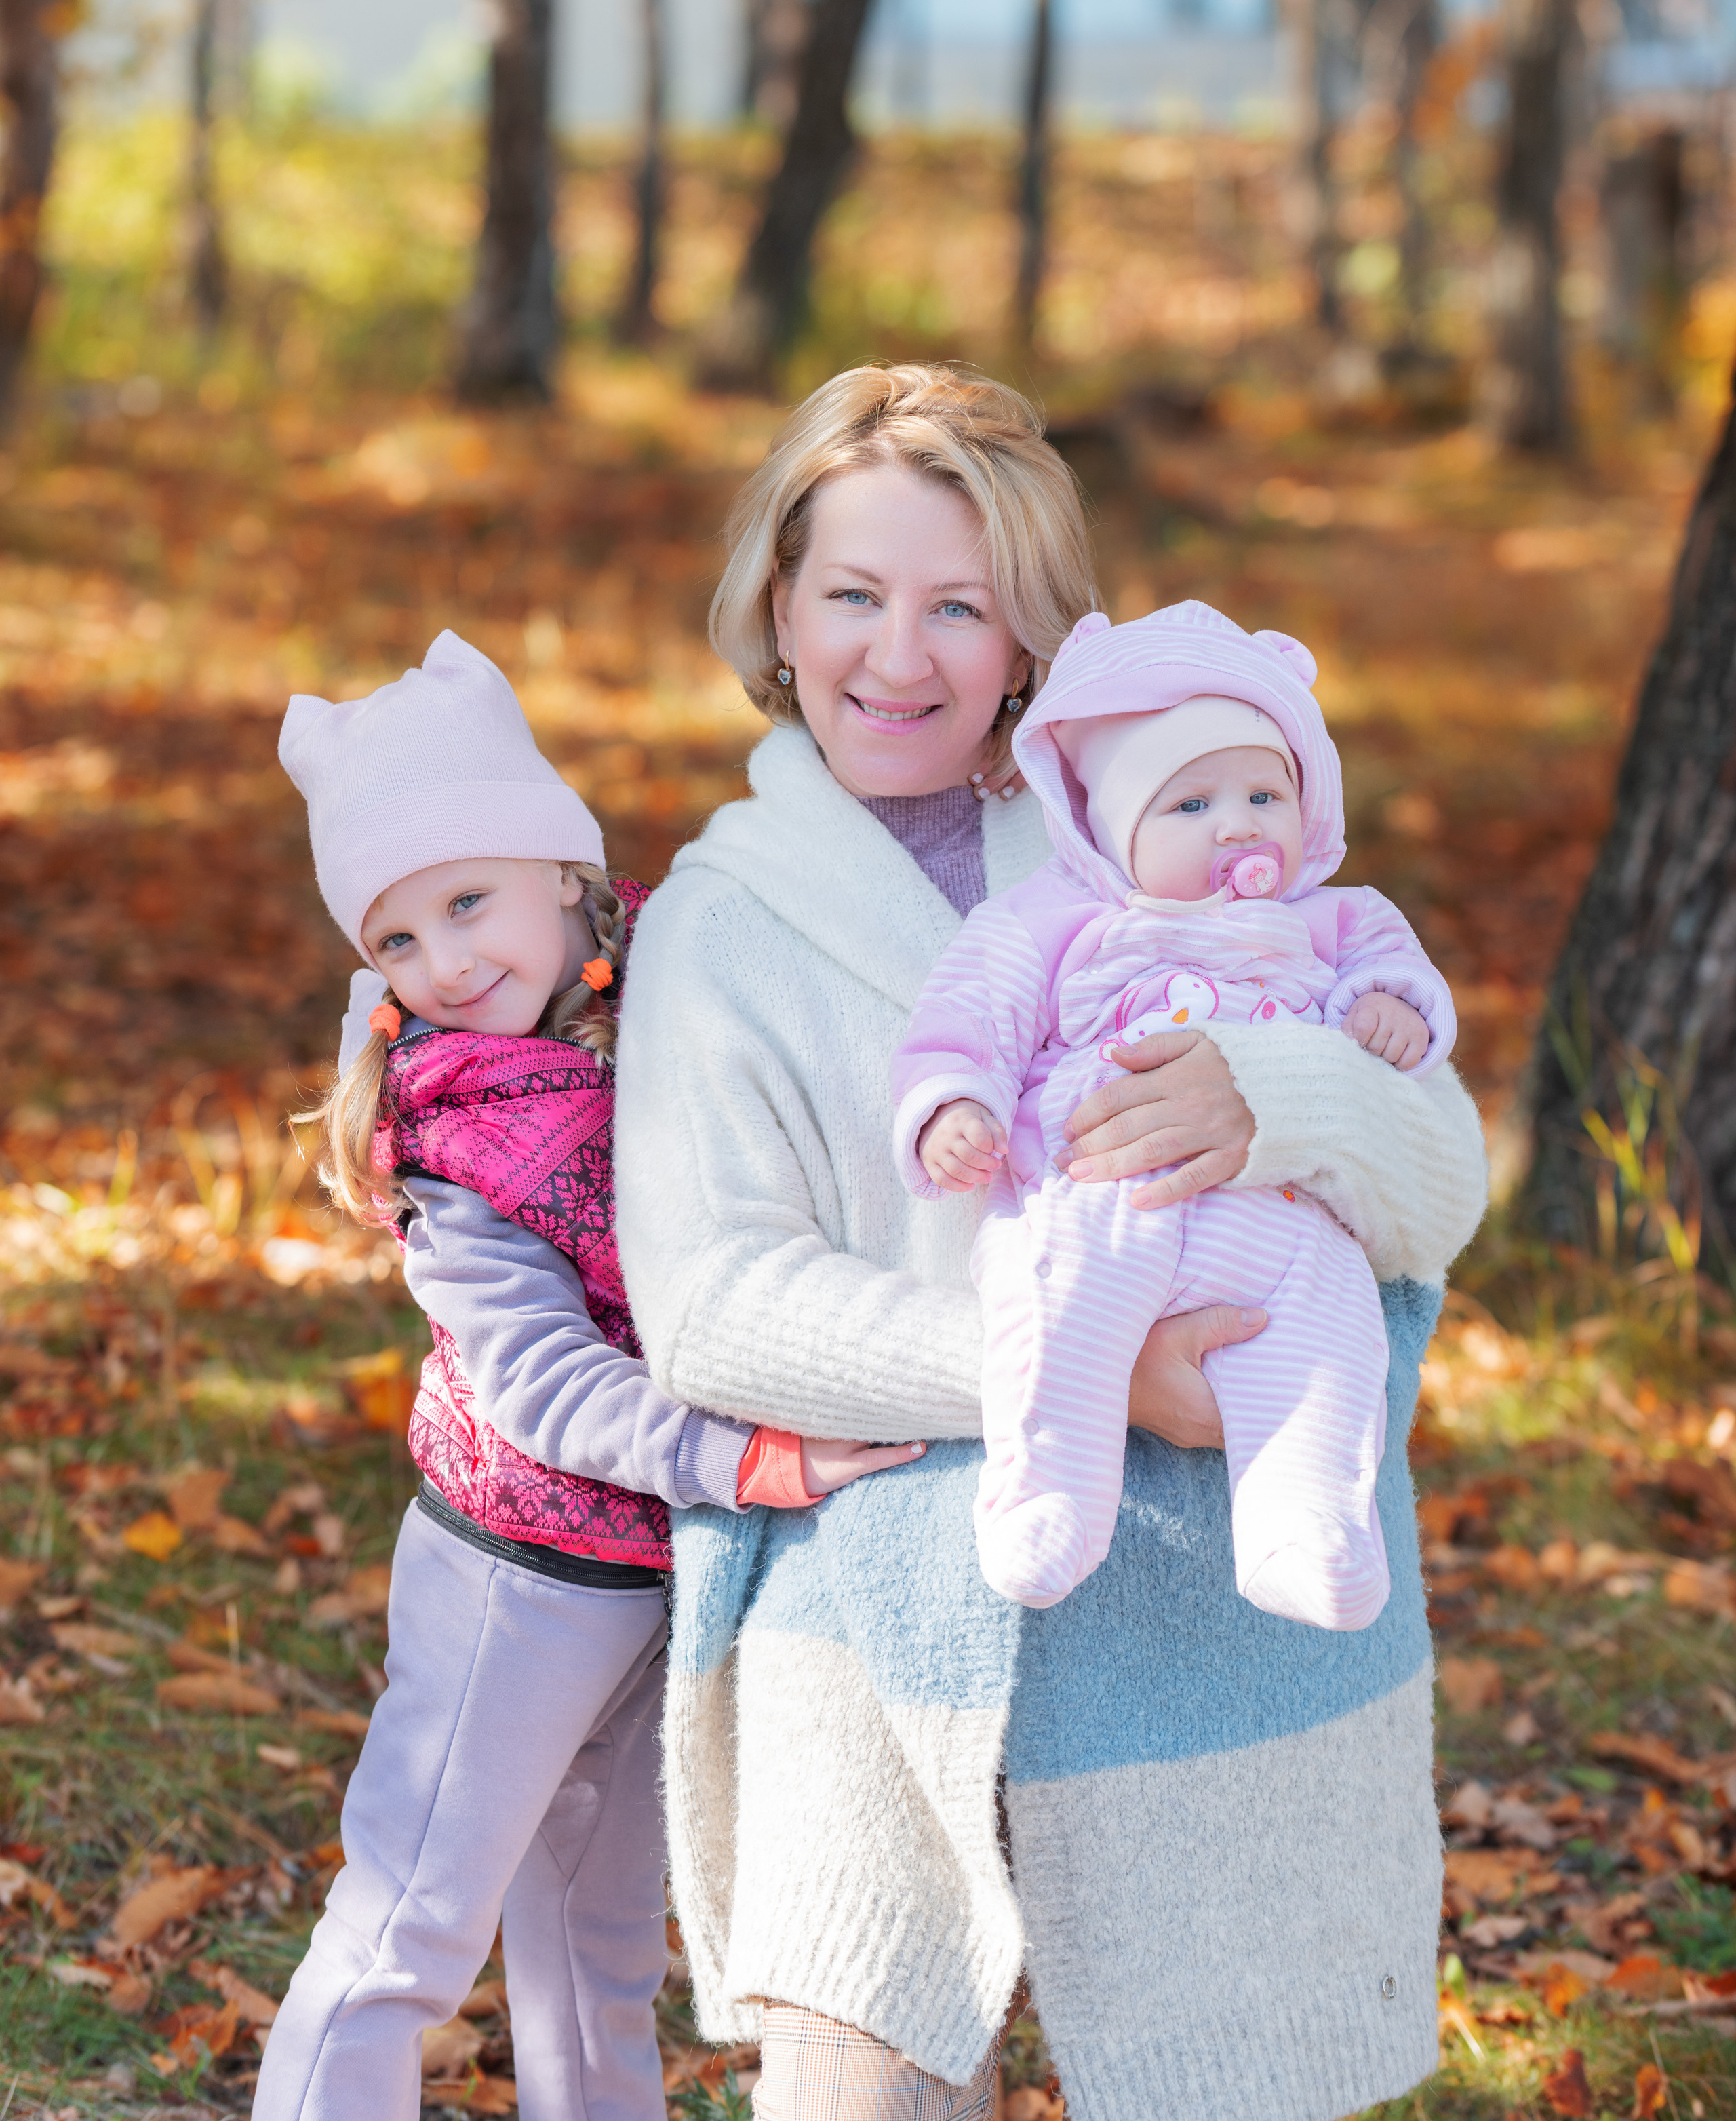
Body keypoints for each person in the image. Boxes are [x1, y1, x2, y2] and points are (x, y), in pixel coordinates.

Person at [613, 362, 1488, 2121]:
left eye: (961, 603)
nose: (900, 653)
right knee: (867, 2085)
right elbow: (709, 1305)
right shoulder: (723, 922)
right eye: (852, 594)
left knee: (1231, 2079)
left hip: (1200, 1605)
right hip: (883, 1605)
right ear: (776, 611)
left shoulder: (1181, 826)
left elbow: (1445, 1172)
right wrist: (1066, 1366)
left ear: (1032, 639)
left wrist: (1285, 1102)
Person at [258, 631, 919, 2121]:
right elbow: (543, 1386)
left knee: (598, 1947)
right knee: (411, 1927)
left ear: (566, 872)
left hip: (658, 1575)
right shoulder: (450, 1143)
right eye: (400, 940)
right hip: (518, 1582)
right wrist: (748, 1455)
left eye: (469, 900)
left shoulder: (668, 983)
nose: (447, 964)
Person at [893, 598, 1456, 1623]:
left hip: (1280, 1213)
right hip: (1108, 1190)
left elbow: (1398, 975)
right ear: (1112, 832)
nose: (1238, 825)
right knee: (1057, 1303)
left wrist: (1392, 1009)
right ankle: (1049, 1496)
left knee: (1333, 1328)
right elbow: (971, 1011)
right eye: (1190, 807)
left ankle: (1308, 1529)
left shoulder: (1332, 917)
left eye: (1263, 793)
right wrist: (952, 1103)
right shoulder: (1060, 919)